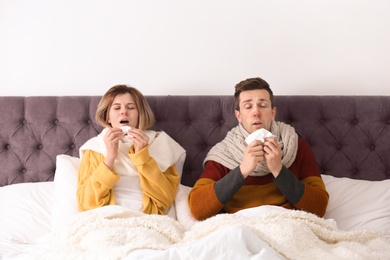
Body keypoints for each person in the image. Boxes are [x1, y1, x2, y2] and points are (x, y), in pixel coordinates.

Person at [188, 77, 329, 220]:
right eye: (248, 107)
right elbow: (198, 209)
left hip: (285, 224)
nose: (256, 112)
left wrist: (279, 171)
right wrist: (242, 170)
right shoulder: (225, 152)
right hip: (240, 227)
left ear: (273, 113)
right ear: (239, 116)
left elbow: (319, 207)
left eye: (262, 105)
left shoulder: (294, 144)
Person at [77, 84, 185, 215]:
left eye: (131, 107)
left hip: (147, 219)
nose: (124, 112)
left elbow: (166, 198)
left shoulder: (160, 144)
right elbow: (86, 203)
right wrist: (110, 157)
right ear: (108, 117)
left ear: (140, 115)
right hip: (105, 219)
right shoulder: (95, 148)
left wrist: (142, 157)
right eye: (117, 108)